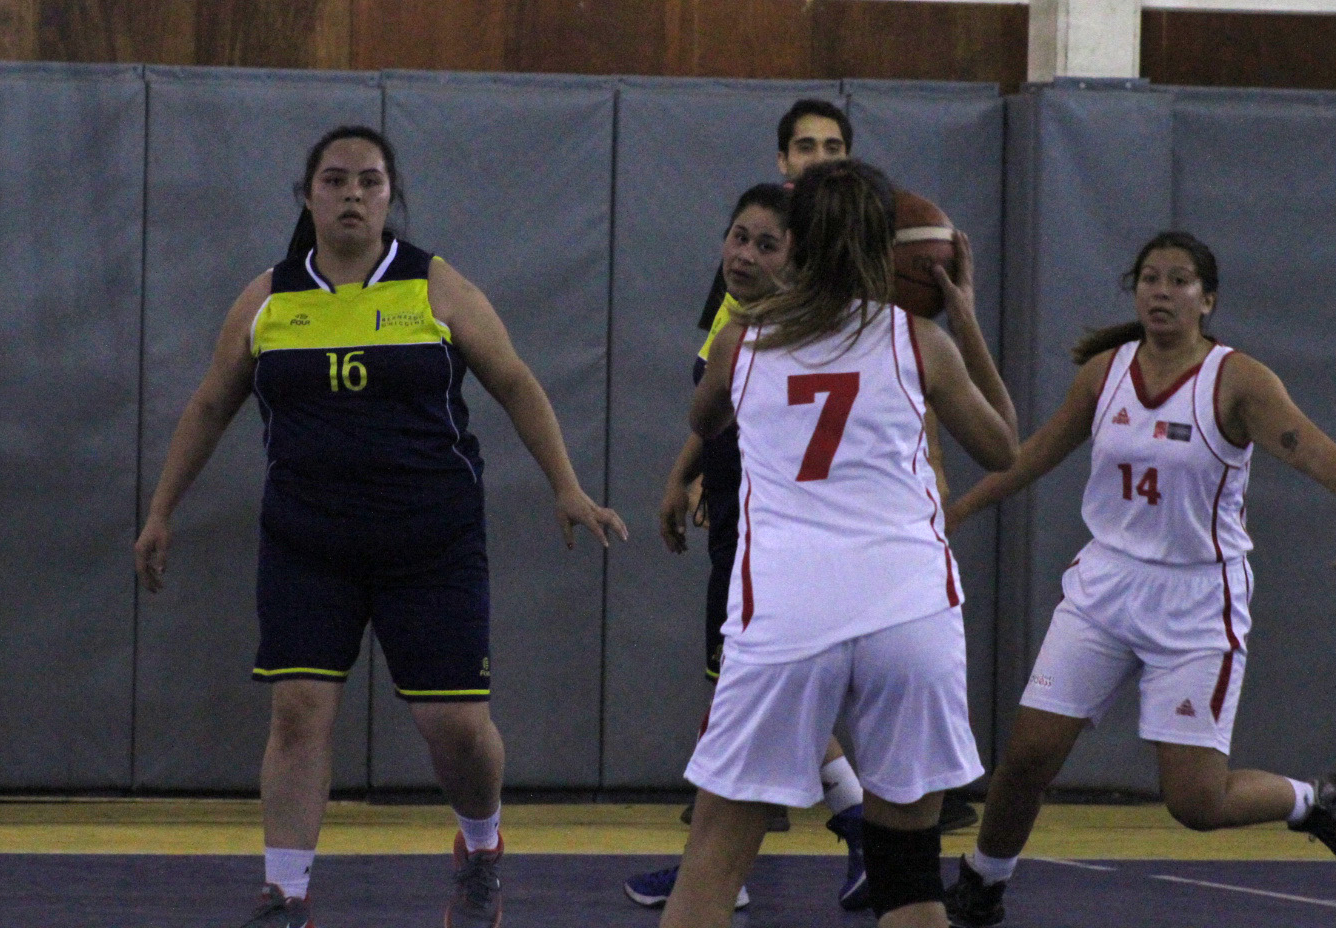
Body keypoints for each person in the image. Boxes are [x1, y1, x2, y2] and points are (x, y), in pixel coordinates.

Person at [134, 125, 627, 928]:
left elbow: (513, 380)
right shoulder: (268, 299)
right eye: (335, 180)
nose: (352, 194)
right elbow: (210, 403)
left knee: (455, 729)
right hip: (307, 543)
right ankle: (285, 895)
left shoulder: (435, 286)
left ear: (391, 194)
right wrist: (161, 511)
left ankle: (482, 845)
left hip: (430, 543)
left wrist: (566, 486)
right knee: (298, 711)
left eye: (369, 180)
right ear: (308, 195)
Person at [941, 231, 1336, 927]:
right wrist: (960, 509)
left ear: (1207, 299)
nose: (1161, 291)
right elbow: (1034, 454)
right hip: (1106, 585)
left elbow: (1312, 450)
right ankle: (983, 881)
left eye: (1179, 280)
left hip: (1196, 598)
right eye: (1150, 278)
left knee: (1195, 803)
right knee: (1027, 755)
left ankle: (1315, 801)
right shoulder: (1105, 373)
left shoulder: (1237, 379)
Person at [662, 159, 1018, 928]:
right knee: (909, 876)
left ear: (795, 244)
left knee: (714, 862)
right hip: (909, 615)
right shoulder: (920, 341)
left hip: (787, 615)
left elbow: (703, 419)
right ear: (885, 250)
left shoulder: (740, 344)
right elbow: (1004, 447)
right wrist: (965, 318)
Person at [625, 185, 824, 912]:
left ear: (799, 260)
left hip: (778, 536)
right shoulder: (735, 312)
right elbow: (714, 406)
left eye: (766, 245)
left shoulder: (808, 331)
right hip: (738, 517)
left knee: (744, 697)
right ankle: (858, 827)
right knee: (746, 692)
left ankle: (714, 873)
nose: (744, 254)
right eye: (738, 237)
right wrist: (686, 473)